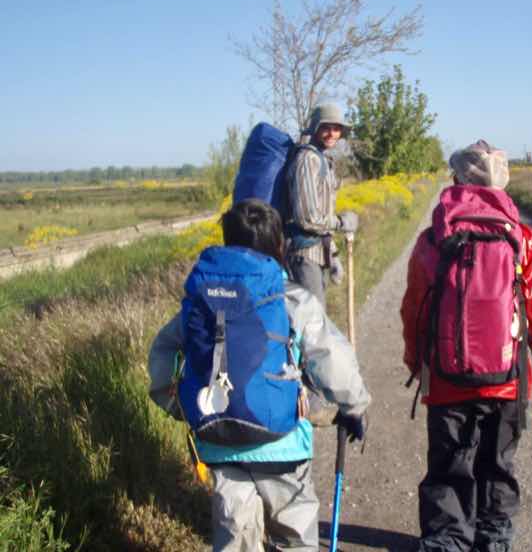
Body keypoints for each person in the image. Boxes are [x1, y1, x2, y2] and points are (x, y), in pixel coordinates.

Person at [148, 198, 370, 552]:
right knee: (294, 535)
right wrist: (355, 406)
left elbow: (163, 349)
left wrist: (172, 402)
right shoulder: (290, 297)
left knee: (235, 538)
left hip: (218, 440)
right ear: (277, 244)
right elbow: (332, 358)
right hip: (282, 443)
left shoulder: (204, 298)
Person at [400, 140, 532, 552]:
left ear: (456, 180)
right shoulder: (521, 239)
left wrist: (416, 361)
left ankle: (446, 541)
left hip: (445, 379)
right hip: (506, 381)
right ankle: (493, 541)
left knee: (448, 466)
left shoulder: (432, 241)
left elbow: (415, 310)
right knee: (497, 466)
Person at [285, 102, 359, 310]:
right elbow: (308, 218)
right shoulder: (308, 160)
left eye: (337, 129)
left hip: (317, 253)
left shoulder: (323, 159)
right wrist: (341, 223)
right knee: (313, 324)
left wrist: (333, 254)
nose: (332, 134)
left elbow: (322, 216)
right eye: (326, 127)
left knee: (316, 320)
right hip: (303, 256)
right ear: (315, 128)